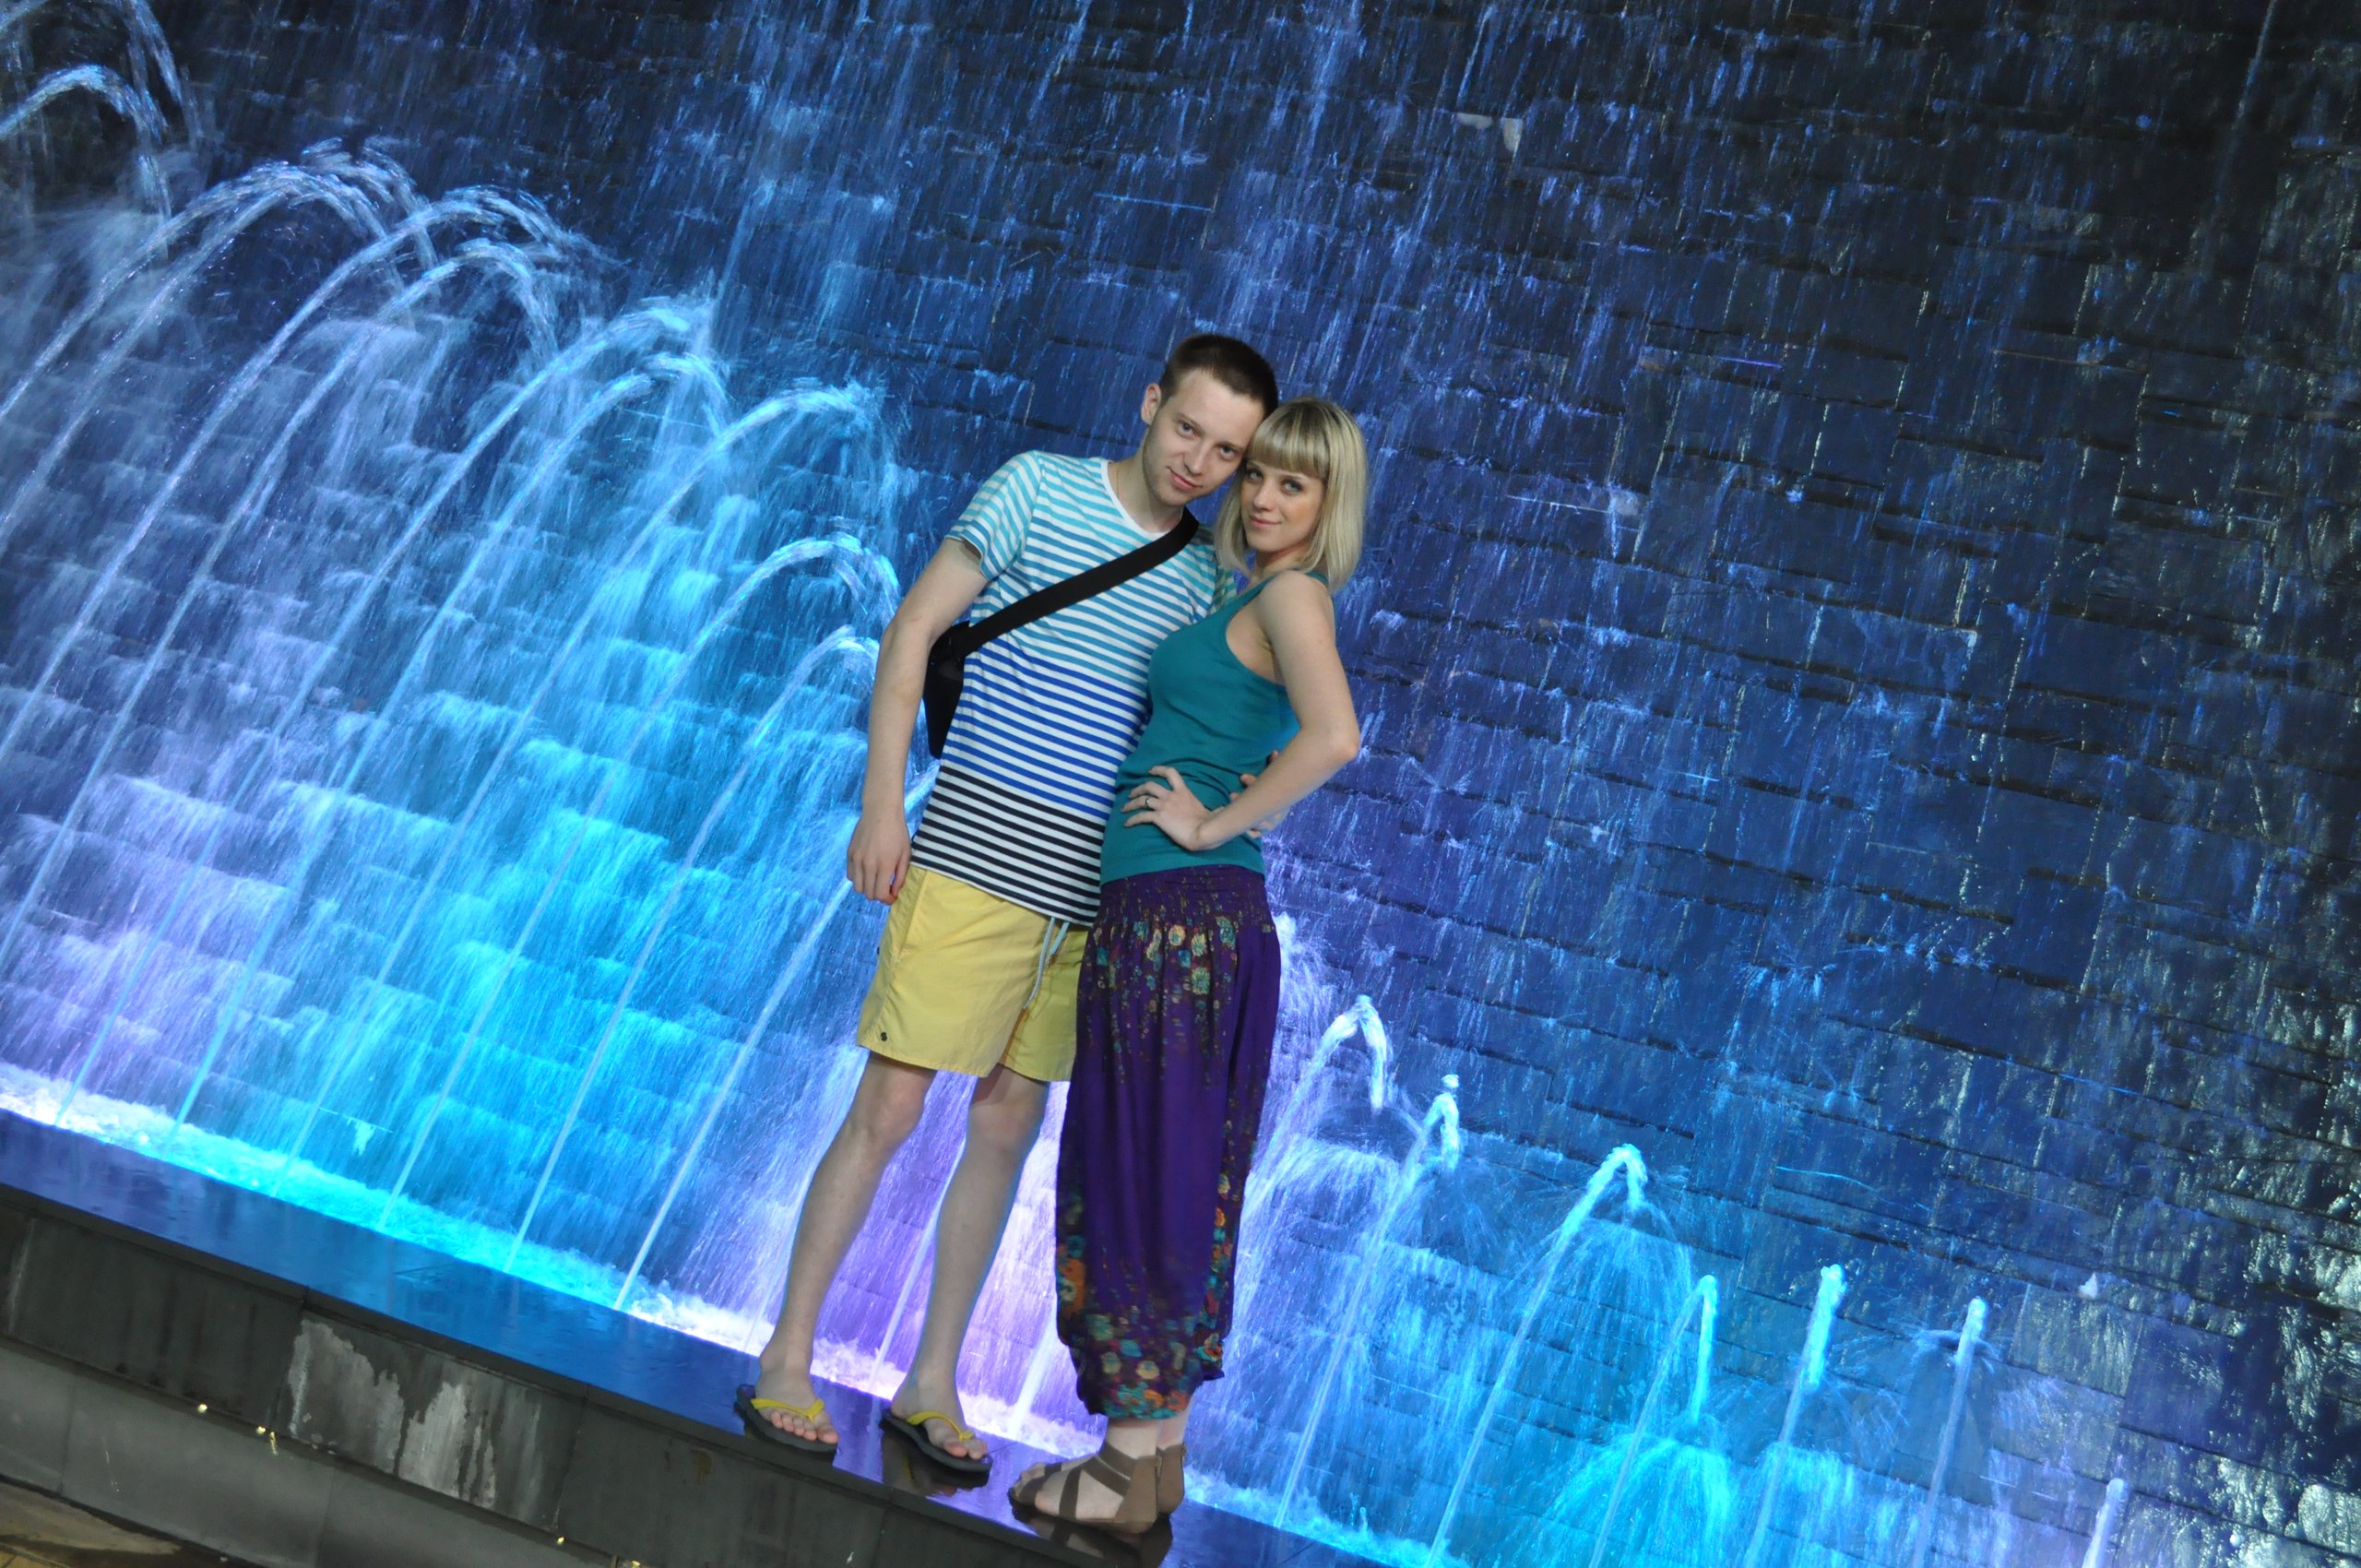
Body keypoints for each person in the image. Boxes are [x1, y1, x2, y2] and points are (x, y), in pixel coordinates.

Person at [735, 335, 1280, 1471]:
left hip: (1090, 897)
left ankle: (931, 1379)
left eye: (1227, 451)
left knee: (1004, 1127)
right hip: (971, 856)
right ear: (1150, 402)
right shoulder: (1035, 488)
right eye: (1188, 427)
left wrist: (1212, 818)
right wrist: (881, 805)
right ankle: (786, 1351)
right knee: (889, 1107)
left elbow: (1194, 723)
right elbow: (913, 630)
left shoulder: (1202, 578)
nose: (1198, 460)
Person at [1009, 398, 1369, 1528]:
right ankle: (1154, 1458)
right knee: (1169, 1168)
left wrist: (1211, 822)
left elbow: (1335, 734)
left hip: (1181, 919)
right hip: (1180, 920)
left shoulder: (1293, 595)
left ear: (1329, 502)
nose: (1259, 495)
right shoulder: (1252, 592)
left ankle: (1122, 1461)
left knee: (1141, 1168)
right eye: (1255, 474)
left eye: (1291, 483)